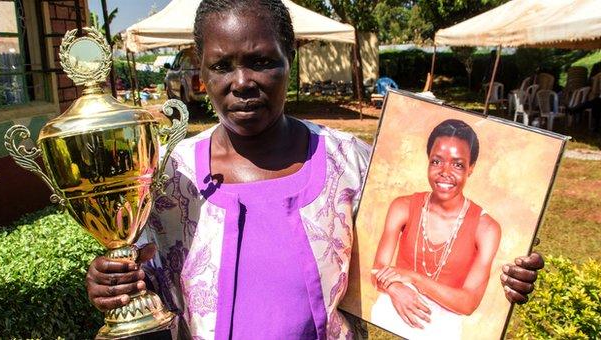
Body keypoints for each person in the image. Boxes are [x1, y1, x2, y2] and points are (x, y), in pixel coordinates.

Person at [85, 1, 544, 339]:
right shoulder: (170, 176)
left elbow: (420, 253)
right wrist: (114, 283)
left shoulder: (352, 162)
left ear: (292, 58)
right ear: (202, 71)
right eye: (222, 66)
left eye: (262, 61)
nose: (242, 82)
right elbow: (142, 274)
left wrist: (508, 270)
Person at [371, 119, 504, 339]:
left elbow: (468, 303)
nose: (445, 172)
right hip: (391, 313)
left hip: (442, 327)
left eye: (458, 164)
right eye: (436, 161)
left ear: (471, 168)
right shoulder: (402, 207)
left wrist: (414, 279)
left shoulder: (487, 229)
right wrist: (395, 290)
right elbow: (378, 270)